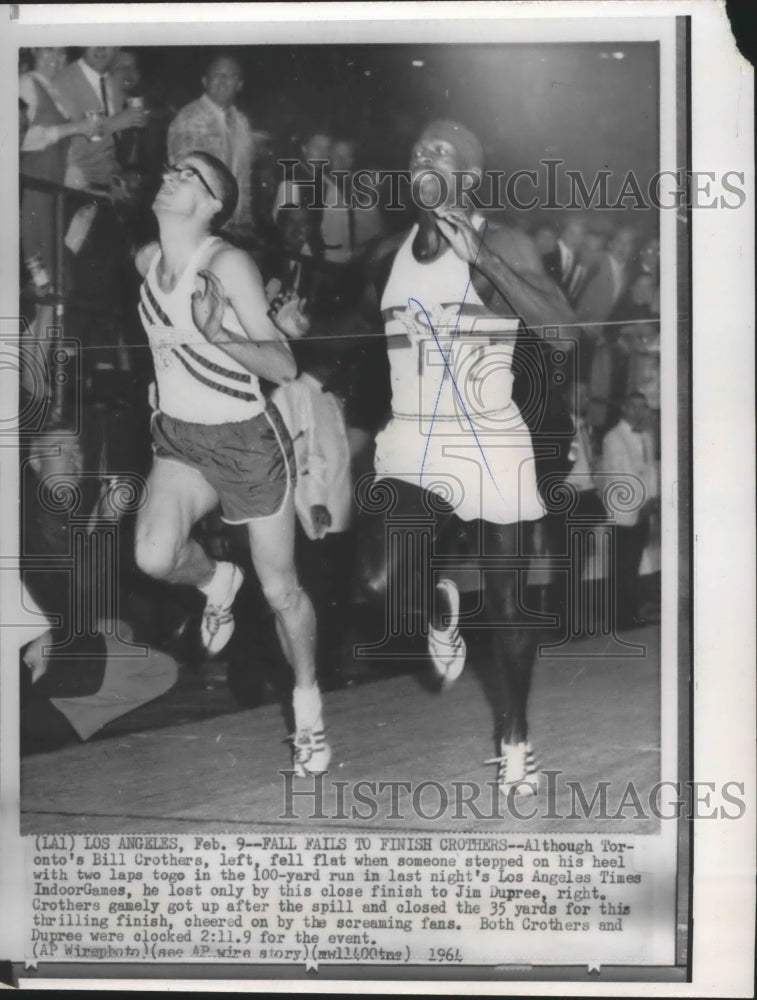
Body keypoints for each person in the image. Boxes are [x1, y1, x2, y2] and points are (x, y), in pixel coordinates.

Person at [358, 120, 575, 792]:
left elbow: (563, 333)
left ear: (470, 178)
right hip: (414, 435)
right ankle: (436, 611)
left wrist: (484, 260)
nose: (425, 155)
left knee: (510, 607)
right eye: (418, 147)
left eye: (442, 151)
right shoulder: (382, 257)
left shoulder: (500, 238)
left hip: (487, 435)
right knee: (376, 581)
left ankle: (515, 741)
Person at [133, 151, 328, 775]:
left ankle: (308, 711)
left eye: (191, 176)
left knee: (281, 589)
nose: (173, 175)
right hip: (182, 441)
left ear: (215, 203)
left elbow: (284, 367)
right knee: (154, 555)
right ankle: (215, 581)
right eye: (173, 168)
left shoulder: (227, 262)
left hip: (245, 441)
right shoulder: (145, 261)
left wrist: (219, 335)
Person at [167, 53, 255, 242]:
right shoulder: (190, 118)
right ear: (205, 81)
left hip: (232, 226)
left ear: (239, 84)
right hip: (199, 224)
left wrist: (245, 220)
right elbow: (188, 179)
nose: (222, 80)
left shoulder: (242, 122)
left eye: (229, 76)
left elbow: (244, 176)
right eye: (217, 75)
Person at [599, 392, 659, 629]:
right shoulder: (613, 438)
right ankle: (621, 618)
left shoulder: (647, 436)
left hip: (644, 509)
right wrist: (640, 504)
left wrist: (652, 500)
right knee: (622, 566)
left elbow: (651, 470)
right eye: (633, 407)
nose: (638, 412)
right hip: (624, 511)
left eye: (643, 407)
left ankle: (630, 614)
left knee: (632, 565)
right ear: (624, 408)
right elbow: (620, 476)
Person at [54, 46, 147, 190]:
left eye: (107, 41)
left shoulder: (112, 81)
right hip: (77, 187)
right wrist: (117, 123)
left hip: (111, 184)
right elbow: (68, 148)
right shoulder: (64, 82)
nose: (101, 48)